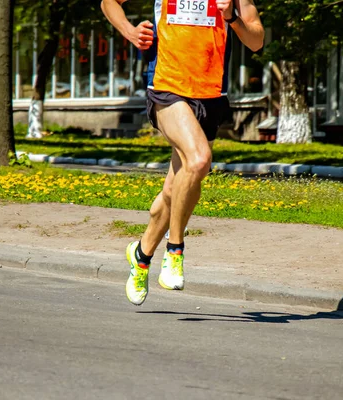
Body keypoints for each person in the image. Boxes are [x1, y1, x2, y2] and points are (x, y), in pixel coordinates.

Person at [101, 0, 264, 305]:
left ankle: (141, 254)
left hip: (211, 93)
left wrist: (232, 18)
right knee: (199, 160)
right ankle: (174, 250)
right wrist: (130, 31)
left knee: (174, 188)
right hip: (166, 86)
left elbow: (256, 40)